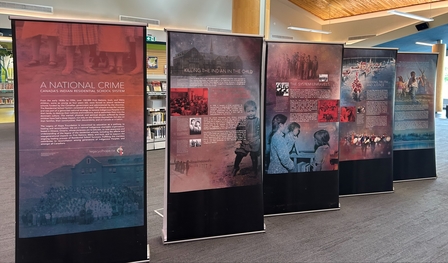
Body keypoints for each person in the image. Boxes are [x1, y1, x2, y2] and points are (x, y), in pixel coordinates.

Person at [232, 100, 261, 177]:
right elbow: (239, 130)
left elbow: (261, 131)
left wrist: (259, 139)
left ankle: (255, 171)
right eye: (248, 111)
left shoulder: (258, 121)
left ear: (256, 110)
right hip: (245, 142)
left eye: (252, 111)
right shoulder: (243, 121)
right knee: (239, 154)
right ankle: (235, 167)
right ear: (245, 111)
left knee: (254, 156)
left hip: (255, 142)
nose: (251, 113)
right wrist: (242, 140)